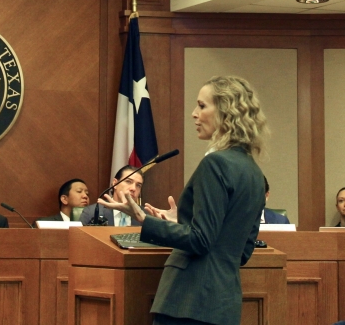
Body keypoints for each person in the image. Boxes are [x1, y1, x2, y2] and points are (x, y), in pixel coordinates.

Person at [98, 75, 267, 325]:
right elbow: (242, 252)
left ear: (225, 111)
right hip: (223, 307)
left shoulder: (216, 163)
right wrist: (182, 222)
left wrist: (144, 220)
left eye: (202, 105)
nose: (194, 114)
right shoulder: (255, 174)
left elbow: (200, 241)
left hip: (187, 303)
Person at [79, 165, 144, 227]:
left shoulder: (146, 216)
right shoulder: (91, 212)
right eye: (128, 181)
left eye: (138, 185)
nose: (133, 188)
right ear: (115, 183)